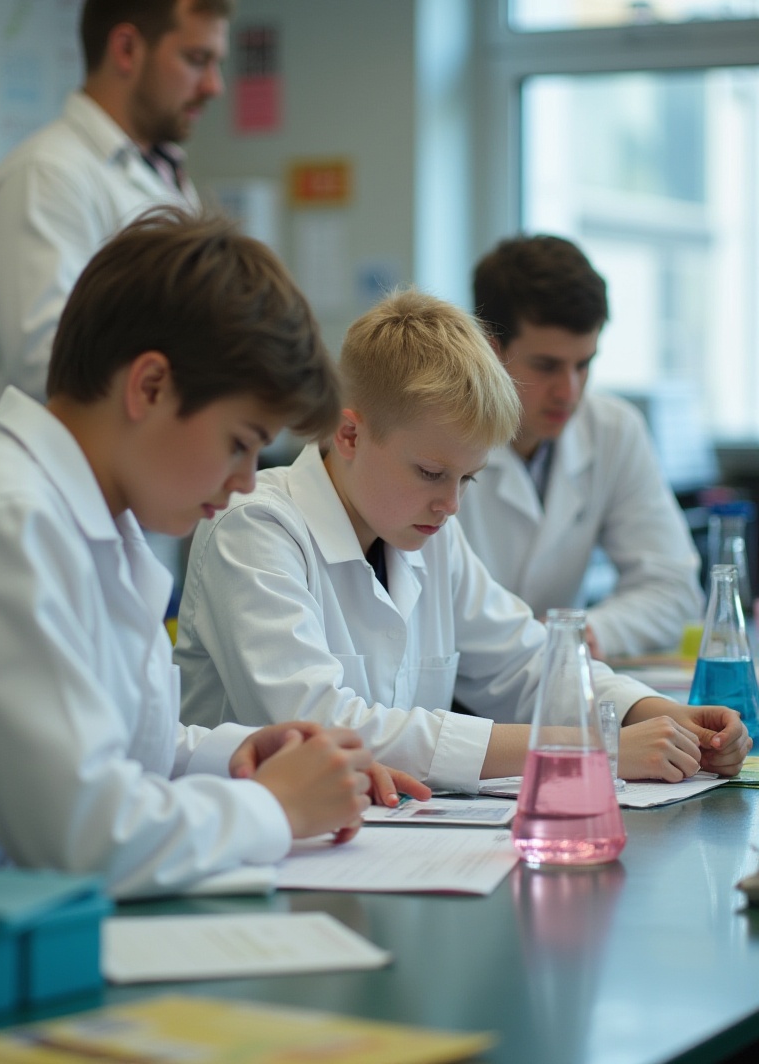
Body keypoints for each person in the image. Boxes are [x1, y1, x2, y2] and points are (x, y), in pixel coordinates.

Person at [0, 208, 428, 898]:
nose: (248, 479)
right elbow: (79, 836)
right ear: (150, 386)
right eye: (239, 441)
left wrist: (239, 756)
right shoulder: (3, 517)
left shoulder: (104, 522)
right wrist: (273, 807)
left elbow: (108, 750)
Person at [175, 288, 749, 791]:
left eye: (467, 478)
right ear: (349, 433)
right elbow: (322, 727)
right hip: (262, 857)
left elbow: (525, 663)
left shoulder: (425, 533)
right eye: (431, 473)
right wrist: (589, 746)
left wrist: (656, 712)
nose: (451, 505)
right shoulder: (254, 526)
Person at [0, 0, 232, 436]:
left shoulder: (162, 172)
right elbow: (53, 364)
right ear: (127, 48)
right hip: (55, 491)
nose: (214, 86)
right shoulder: (46, 176)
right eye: (197, 60)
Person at [457, 234, 705, 660]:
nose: (569, 392)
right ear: (489, 348)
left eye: (583, 364)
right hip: (452, 700)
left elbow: (675, 591)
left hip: (558, 680)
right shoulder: (437, 436)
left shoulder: (613, 429)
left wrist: (584, 633)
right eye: (547, 366)